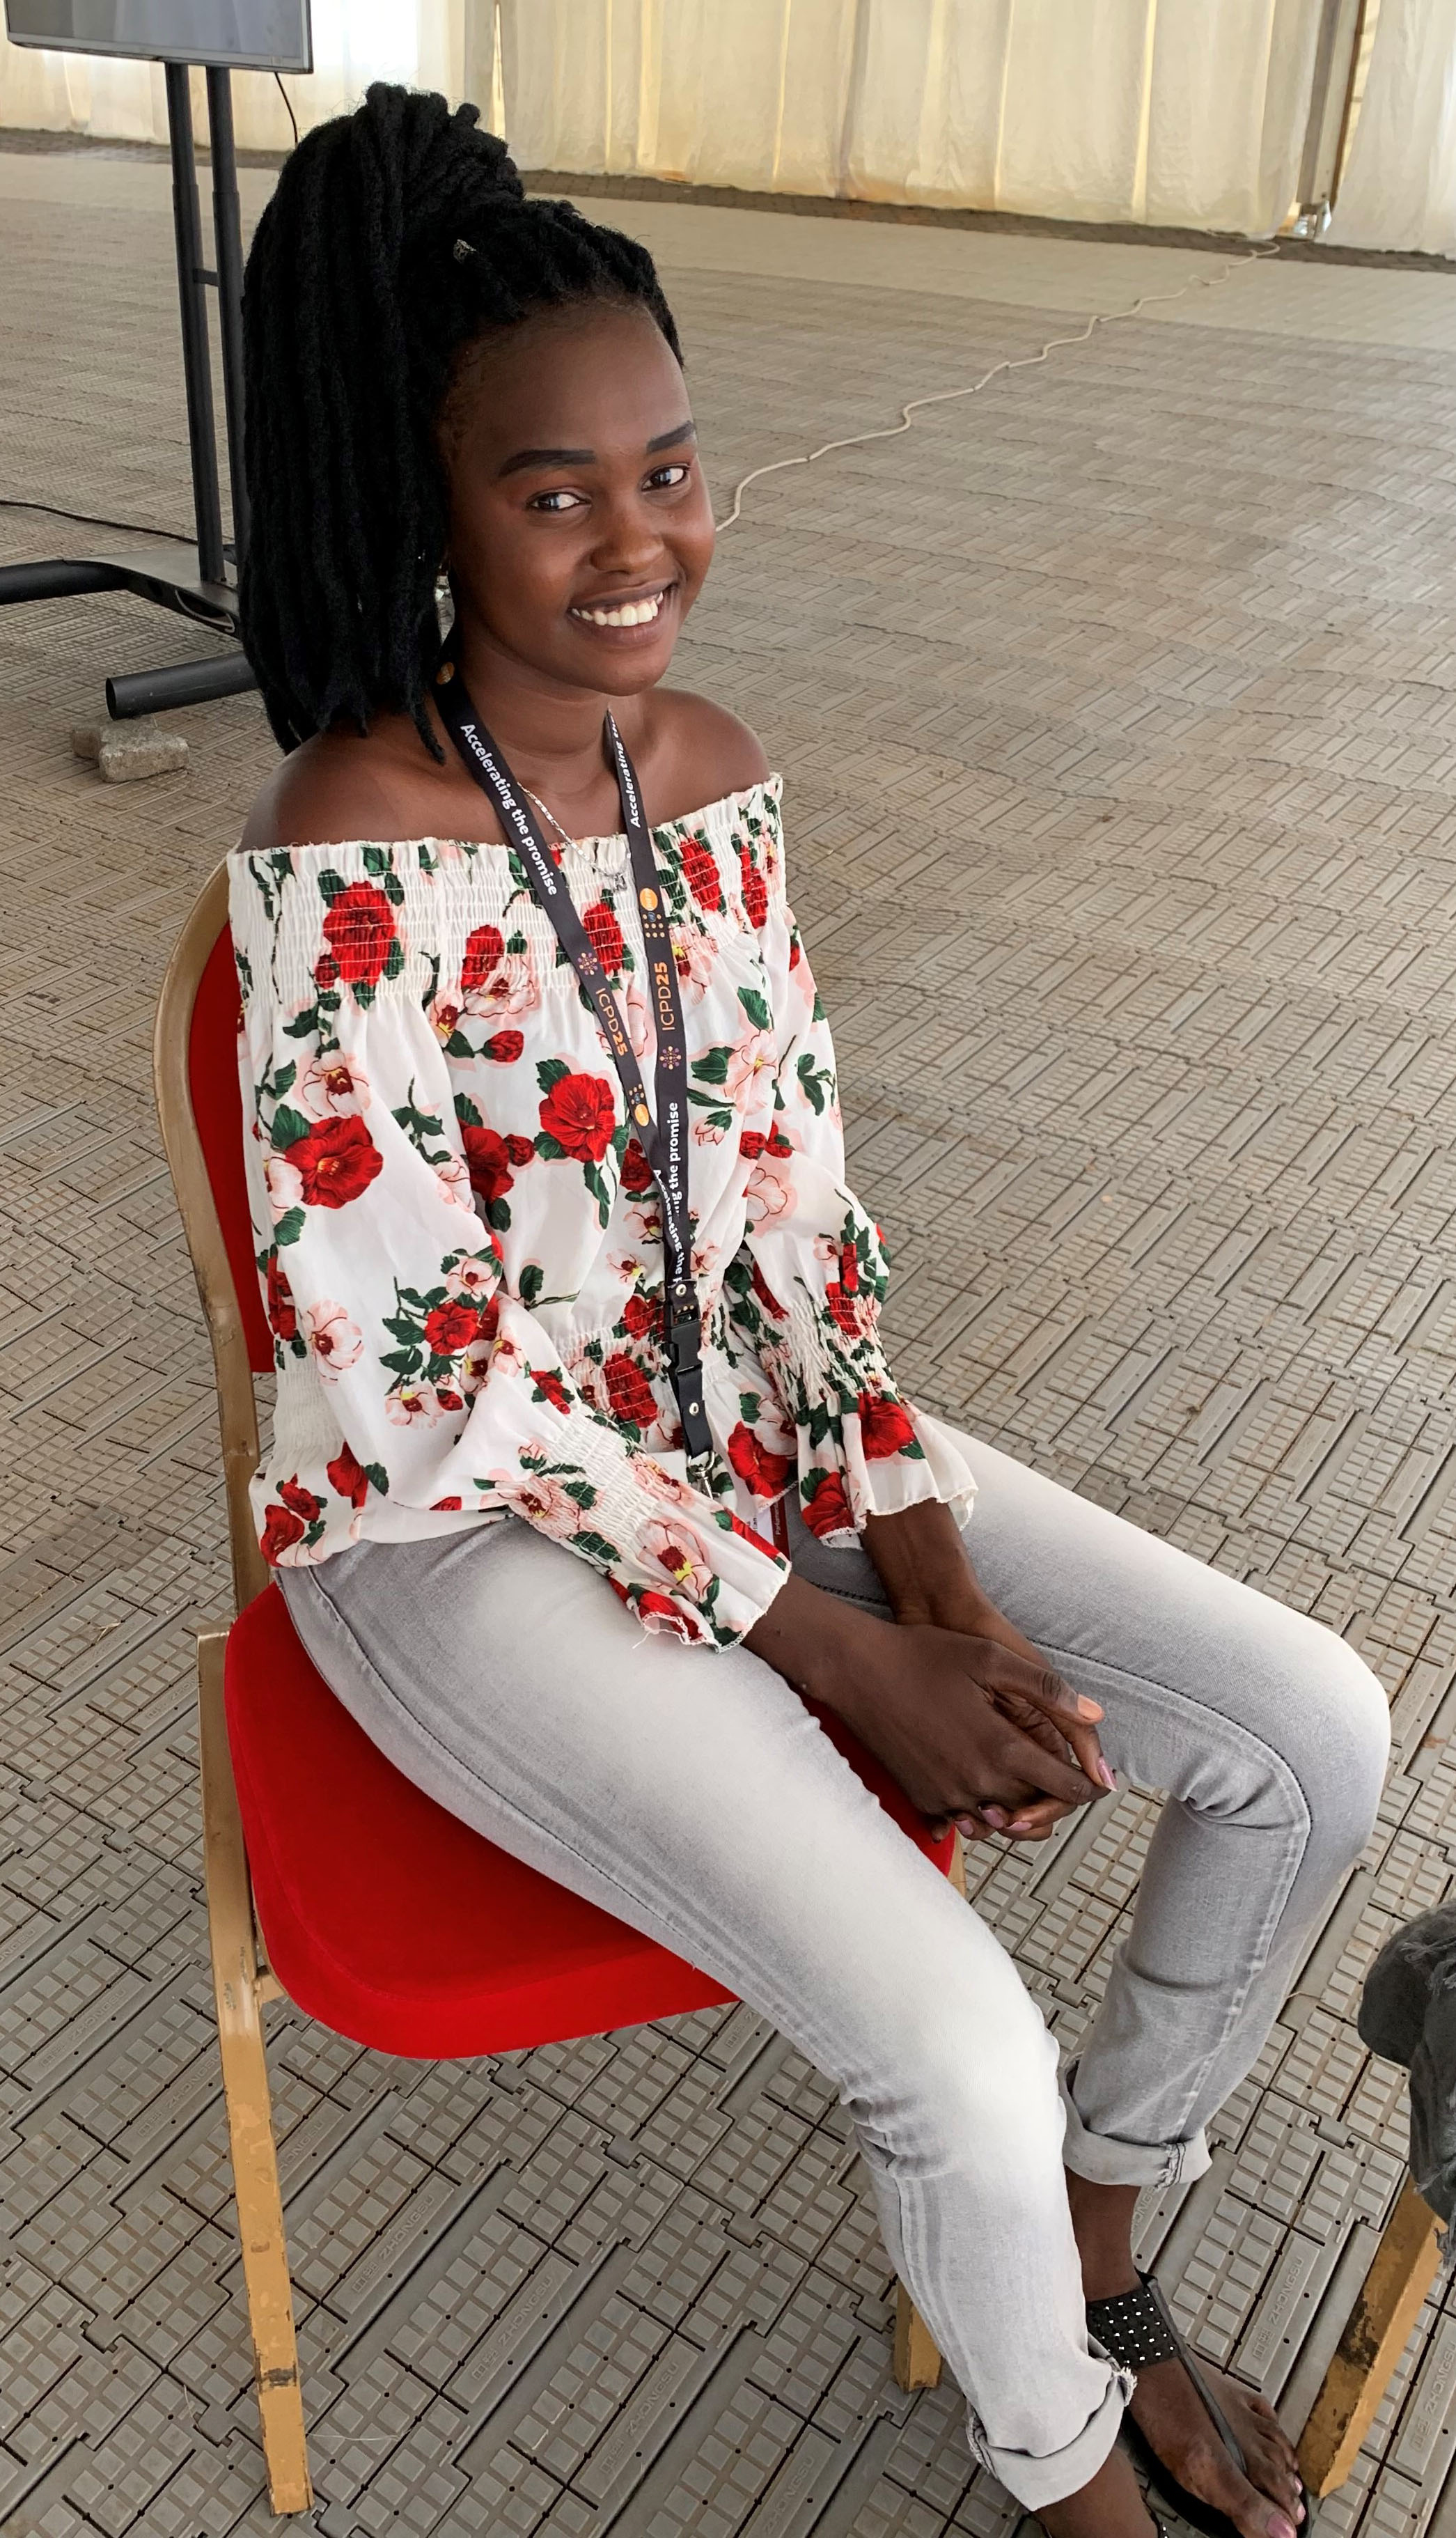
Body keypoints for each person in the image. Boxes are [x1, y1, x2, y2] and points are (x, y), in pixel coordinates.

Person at [232, 84, 1388, 2538]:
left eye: (672, 464)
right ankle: (1064, 2481)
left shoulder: (714, 774)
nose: (642, 537)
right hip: (453, 1532)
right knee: (949, 2043)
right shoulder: (339, 850)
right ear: (428, 509)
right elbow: (424, 1365)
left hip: (749, 1452)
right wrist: (839, 1649)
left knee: (1313, 1724)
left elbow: (792, 1224)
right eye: (557, 491)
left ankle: (1093, 2253)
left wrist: (928, 1553)